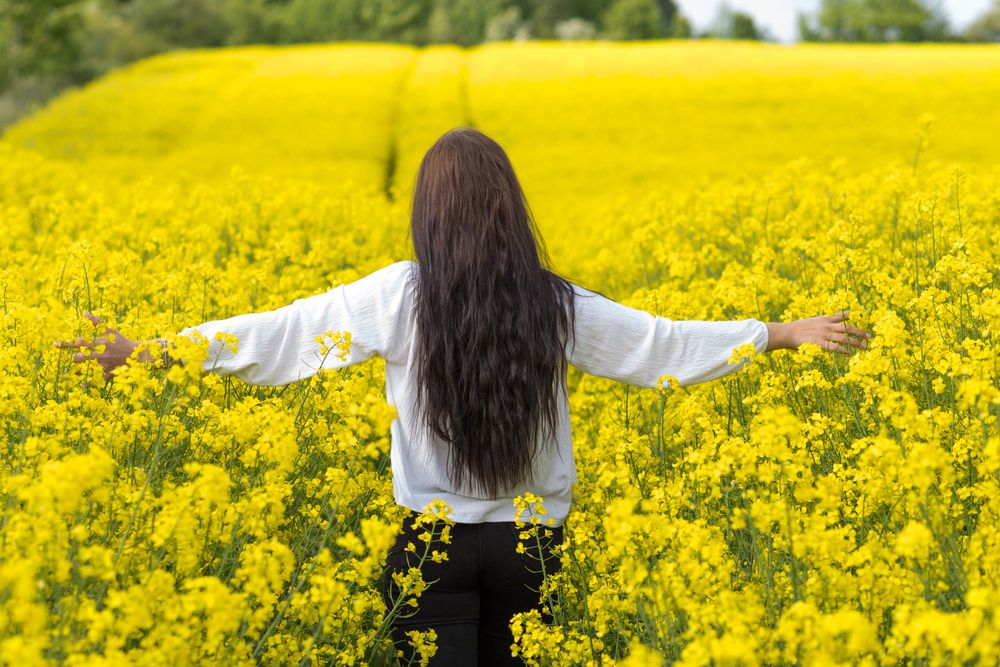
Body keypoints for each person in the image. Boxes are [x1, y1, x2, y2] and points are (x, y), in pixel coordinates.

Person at [55, 127, 870, 665]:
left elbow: (282, 335)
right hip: (533, 549)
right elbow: (658, 345)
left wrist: (150, 355)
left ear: (426, 212)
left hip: (431, 548)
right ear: (510, 207)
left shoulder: (399, 296)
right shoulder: (552, 301)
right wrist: (777, 331)